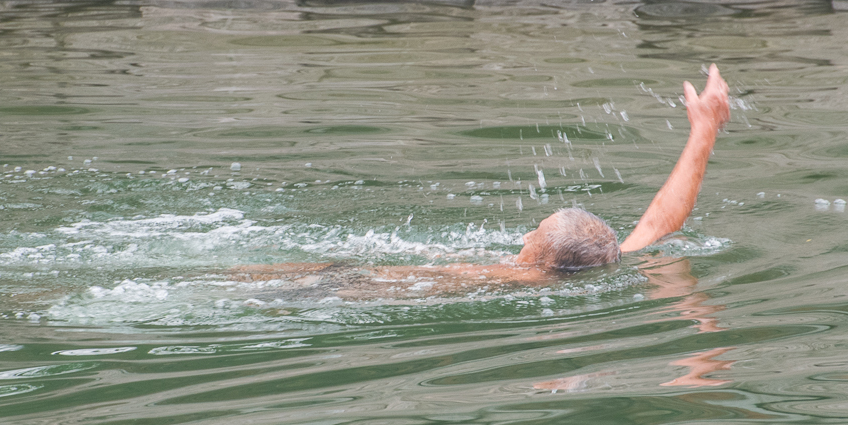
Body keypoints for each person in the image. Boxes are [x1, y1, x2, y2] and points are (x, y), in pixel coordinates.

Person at [229, 64, 731, 298]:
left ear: (538, 254)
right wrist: (703, 130)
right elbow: (661, 221)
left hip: (350, 286)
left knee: (244, 279)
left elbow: (394, 283)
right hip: (359, 279)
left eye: (535, 229)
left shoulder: (512, 277)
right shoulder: (612, 256)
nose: (526, 231)